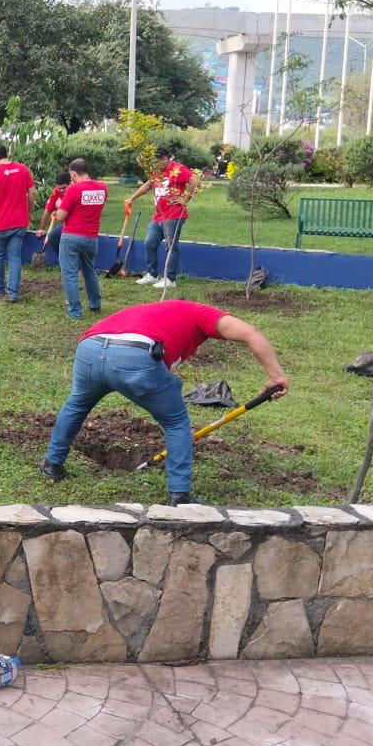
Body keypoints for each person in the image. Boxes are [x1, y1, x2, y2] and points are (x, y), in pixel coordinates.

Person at [40, 300, 289, 505]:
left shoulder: (156, 312)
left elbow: (164, 377)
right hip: (135, 355)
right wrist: (276, 376)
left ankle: (52, 464)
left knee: (77, 405)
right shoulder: (202, 314)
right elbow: (250, 333)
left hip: (90, 348)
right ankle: (179, 495)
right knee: (176, 422)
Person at [125, 145, 197, 290]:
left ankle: (170, 279)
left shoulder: (178, 169)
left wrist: (185, 198)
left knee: (170, 247)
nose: (155, 165)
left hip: (174, 215)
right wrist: (131, 198)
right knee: (149, 242)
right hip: (159, 215)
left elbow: (194, 181)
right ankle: (152, 274)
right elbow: (148, 185)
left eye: (156, 162)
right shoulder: (158, 172)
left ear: (165, 159)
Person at [0, 145, 36, 302]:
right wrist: (29, 211)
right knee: (15, 256)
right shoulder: (23, 169)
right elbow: (32, 192)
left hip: (0, 223)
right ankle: (13, 293)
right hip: (19, 222)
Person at [55, 158, 109, 320]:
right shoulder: (102, 188)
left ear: (73, 174)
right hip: (92, 237)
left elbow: (61, 216)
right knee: (89, 271)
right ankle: (95, 304)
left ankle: (75, 311)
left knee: (70, 274)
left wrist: (59, 205)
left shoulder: (74, 189)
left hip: (72, 237)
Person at [33, 171, 70, 258]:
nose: (61, 190)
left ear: (70, 183)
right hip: (64, 224)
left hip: (74, 225)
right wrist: (41, 228)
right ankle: (64, 258)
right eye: (59, 188)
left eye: (64, 188)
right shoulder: (56, 192)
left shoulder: (74, 191)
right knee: (52, 236)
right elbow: (47, 211)